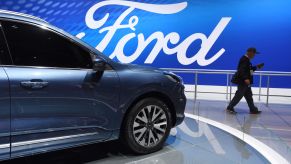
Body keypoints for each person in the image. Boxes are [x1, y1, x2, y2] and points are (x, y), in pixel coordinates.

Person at [226, 47, 264, 114]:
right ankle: (230, 107)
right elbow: (242, 70)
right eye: (254, 53)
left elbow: (249, 71)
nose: (254, 55)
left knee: (249, 95)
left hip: (245, 82)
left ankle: (253, 109)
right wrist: (245, 78)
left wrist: (256, 67)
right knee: (239, 95)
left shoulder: (247, 60)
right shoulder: (244, 59)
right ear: (250, 52)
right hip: (243, 81)